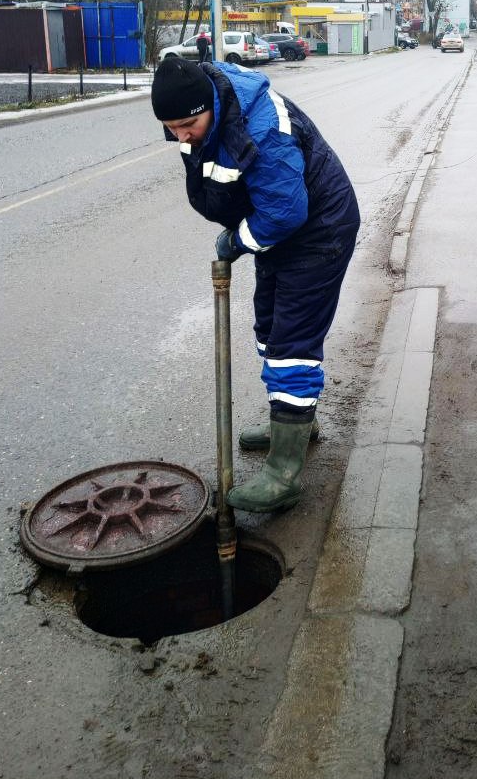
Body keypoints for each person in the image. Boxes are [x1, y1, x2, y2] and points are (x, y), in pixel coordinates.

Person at [150, 57, 360, 514]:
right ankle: (297, 420)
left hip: (318, 230)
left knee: (292, 346)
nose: (181, 136)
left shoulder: (262, 128)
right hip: (279, 232)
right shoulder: (206, 116)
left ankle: (284, 473)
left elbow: (286, 210)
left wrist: (237, 240)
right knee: (268, 328)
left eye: (187, 124)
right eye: (172, 128)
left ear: (209, 105)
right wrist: (246, 234)